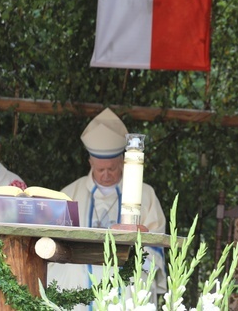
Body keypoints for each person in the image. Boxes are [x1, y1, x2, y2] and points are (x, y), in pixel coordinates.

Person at [47, 108, 167, 309]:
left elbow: (155, 248)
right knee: (69, 276)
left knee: (133, 281)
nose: (106, 174)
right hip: (79, 270)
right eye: (100, 169)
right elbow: (53, 245)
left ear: (123, 161)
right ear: (90, 162)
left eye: (111, 168)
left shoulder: (145, 195)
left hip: (125, 268)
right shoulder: (69, 193)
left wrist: (138, 246)